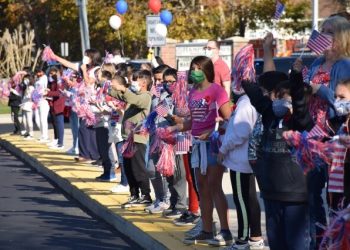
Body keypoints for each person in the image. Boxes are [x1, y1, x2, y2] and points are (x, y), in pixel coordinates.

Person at [241, 66, 312, 250]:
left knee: (295, 243)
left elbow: (300, 103)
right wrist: (243, 71)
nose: (281, 101)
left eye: (286, 97)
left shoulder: (300, 121)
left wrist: (295, 76)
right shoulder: (269, 114)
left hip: (295, 194)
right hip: (271, 192)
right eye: (278, 97)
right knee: (276, 242)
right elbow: (254, 92)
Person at [173, 56, 232, 245]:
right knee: (202, 188)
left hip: (214, 145)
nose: (194, 71)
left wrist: (212, 131)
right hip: (197, 145)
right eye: (192, 68)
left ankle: (225, 231)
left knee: (215, 186)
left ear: (207, 70)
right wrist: (175, 127)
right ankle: (207, 229)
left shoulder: (217, 90)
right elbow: (192, 122)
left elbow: (229, 119)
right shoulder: (192, 93)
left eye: (198, 68)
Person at [303, 16, 350, 249]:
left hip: (334, 140)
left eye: (329, 31)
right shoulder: (315, 63)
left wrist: (319, 89)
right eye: (322, 30)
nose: (323, 35)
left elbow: (345, 106)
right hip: (311, 138)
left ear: (341, 36)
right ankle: (318, 243)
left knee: (336, 200)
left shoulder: (345, 66)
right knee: (311, 197)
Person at [218, 88, 264, 248]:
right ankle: (256, 236)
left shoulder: (245, 104)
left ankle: (243, 238)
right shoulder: (249, 101)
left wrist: (223, 149)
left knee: (242, 200)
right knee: (250, 198)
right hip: (246, 159)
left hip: (240, 160)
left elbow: (240, 133)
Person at [110, 70, 153, 208]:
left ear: (144, 82)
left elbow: (132, 99)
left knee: (138, 168)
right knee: (128, 168)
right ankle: (134, 194)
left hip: (138, 138)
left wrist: (122, 87)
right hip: (128, 138)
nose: (133, 82)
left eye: (136, 80)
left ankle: (145, 195)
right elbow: (121, 96)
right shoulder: (135, 95)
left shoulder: (145, 96)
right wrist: (110, 87)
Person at [46, 67, 66, 150]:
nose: (51, 75)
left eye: (53, 73)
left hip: (60, 105)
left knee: (60, 124)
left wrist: (48, 93)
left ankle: (61, 143)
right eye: (50, 74)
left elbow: (58, 92)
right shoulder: (54, 82)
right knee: (57, 124)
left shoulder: (60, 81)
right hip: (55, 105)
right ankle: (58, 142)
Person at [33, 68, 50, 142]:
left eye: (38, 72)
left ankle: (45, 136)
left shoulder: (45, 78)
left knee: (43, 120)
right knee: (37, 119)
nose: (37, 74)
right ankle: (43, 134)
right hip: (37, 101)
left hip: (43, 100)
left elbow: (45, 88)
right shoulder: (38, 79)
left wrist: (43, 92)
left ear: (41, 72)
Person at [20, 74, 35, 140]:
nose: (25, 80)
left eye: (26, 79)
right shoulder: (27, 87)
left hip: (29, 105)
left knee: (29, 120)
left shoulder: (31, 87)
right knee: (24, 120)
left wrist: (28, 92)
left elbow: (30, 97)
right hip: (24, 105)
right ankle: (27, 132)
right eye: (24, 79)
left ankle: (31, 133)